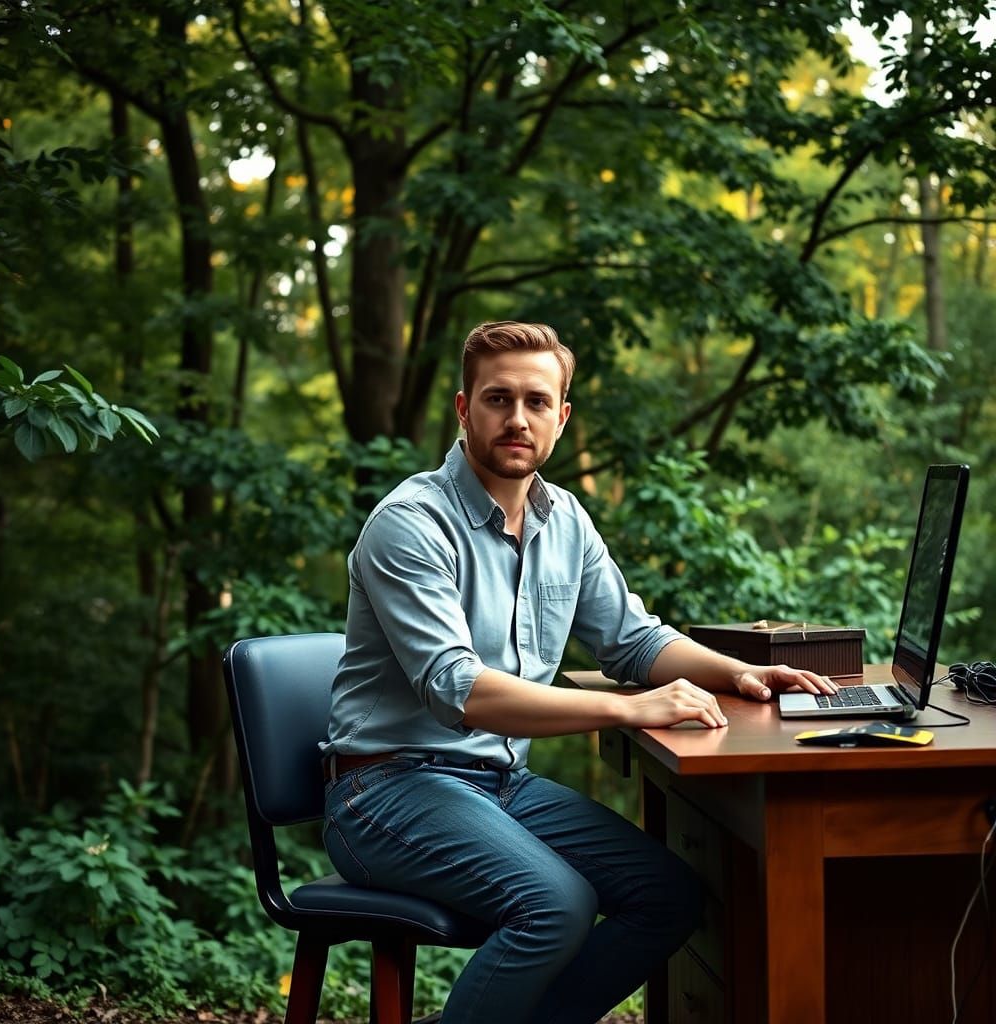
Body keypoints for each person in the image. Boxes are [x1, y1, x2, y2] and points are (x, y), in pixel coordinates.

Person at [321, 321, 836, 1024]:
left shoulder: (563, 521)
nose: (517, 418)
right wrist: (627, 710)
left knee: (668, 897)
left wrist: (741, 671)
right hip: (384, 791)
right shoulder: (410, 524)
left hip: (499, 785)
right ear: (463, 407)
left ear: (561, 417)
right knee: (555, 904)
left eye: (537, 402)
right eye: (498, 399)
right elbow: (459, 689)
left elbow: (631, 640)